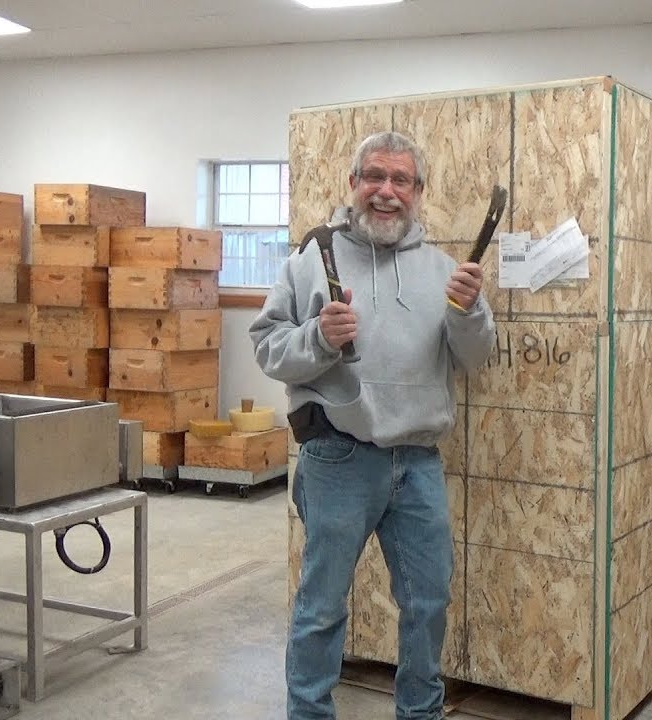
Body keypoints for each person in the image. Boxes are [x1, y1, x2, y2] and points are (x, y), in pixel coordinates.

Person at [249, 130, 496, 720]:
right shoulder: (312, 259)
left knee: (428, 601)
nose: (387, 192)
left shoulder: (442, 271)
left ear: (418, 192)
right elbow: (266, 347)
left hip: (417, 464)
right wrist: (317, 338)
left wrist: (470, 311)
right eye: (375, 177)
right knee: (322, 606)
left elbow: (475, 357)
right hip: (338, 457)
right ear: (354, 184)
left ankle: (420, 713)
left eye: (401, 180)